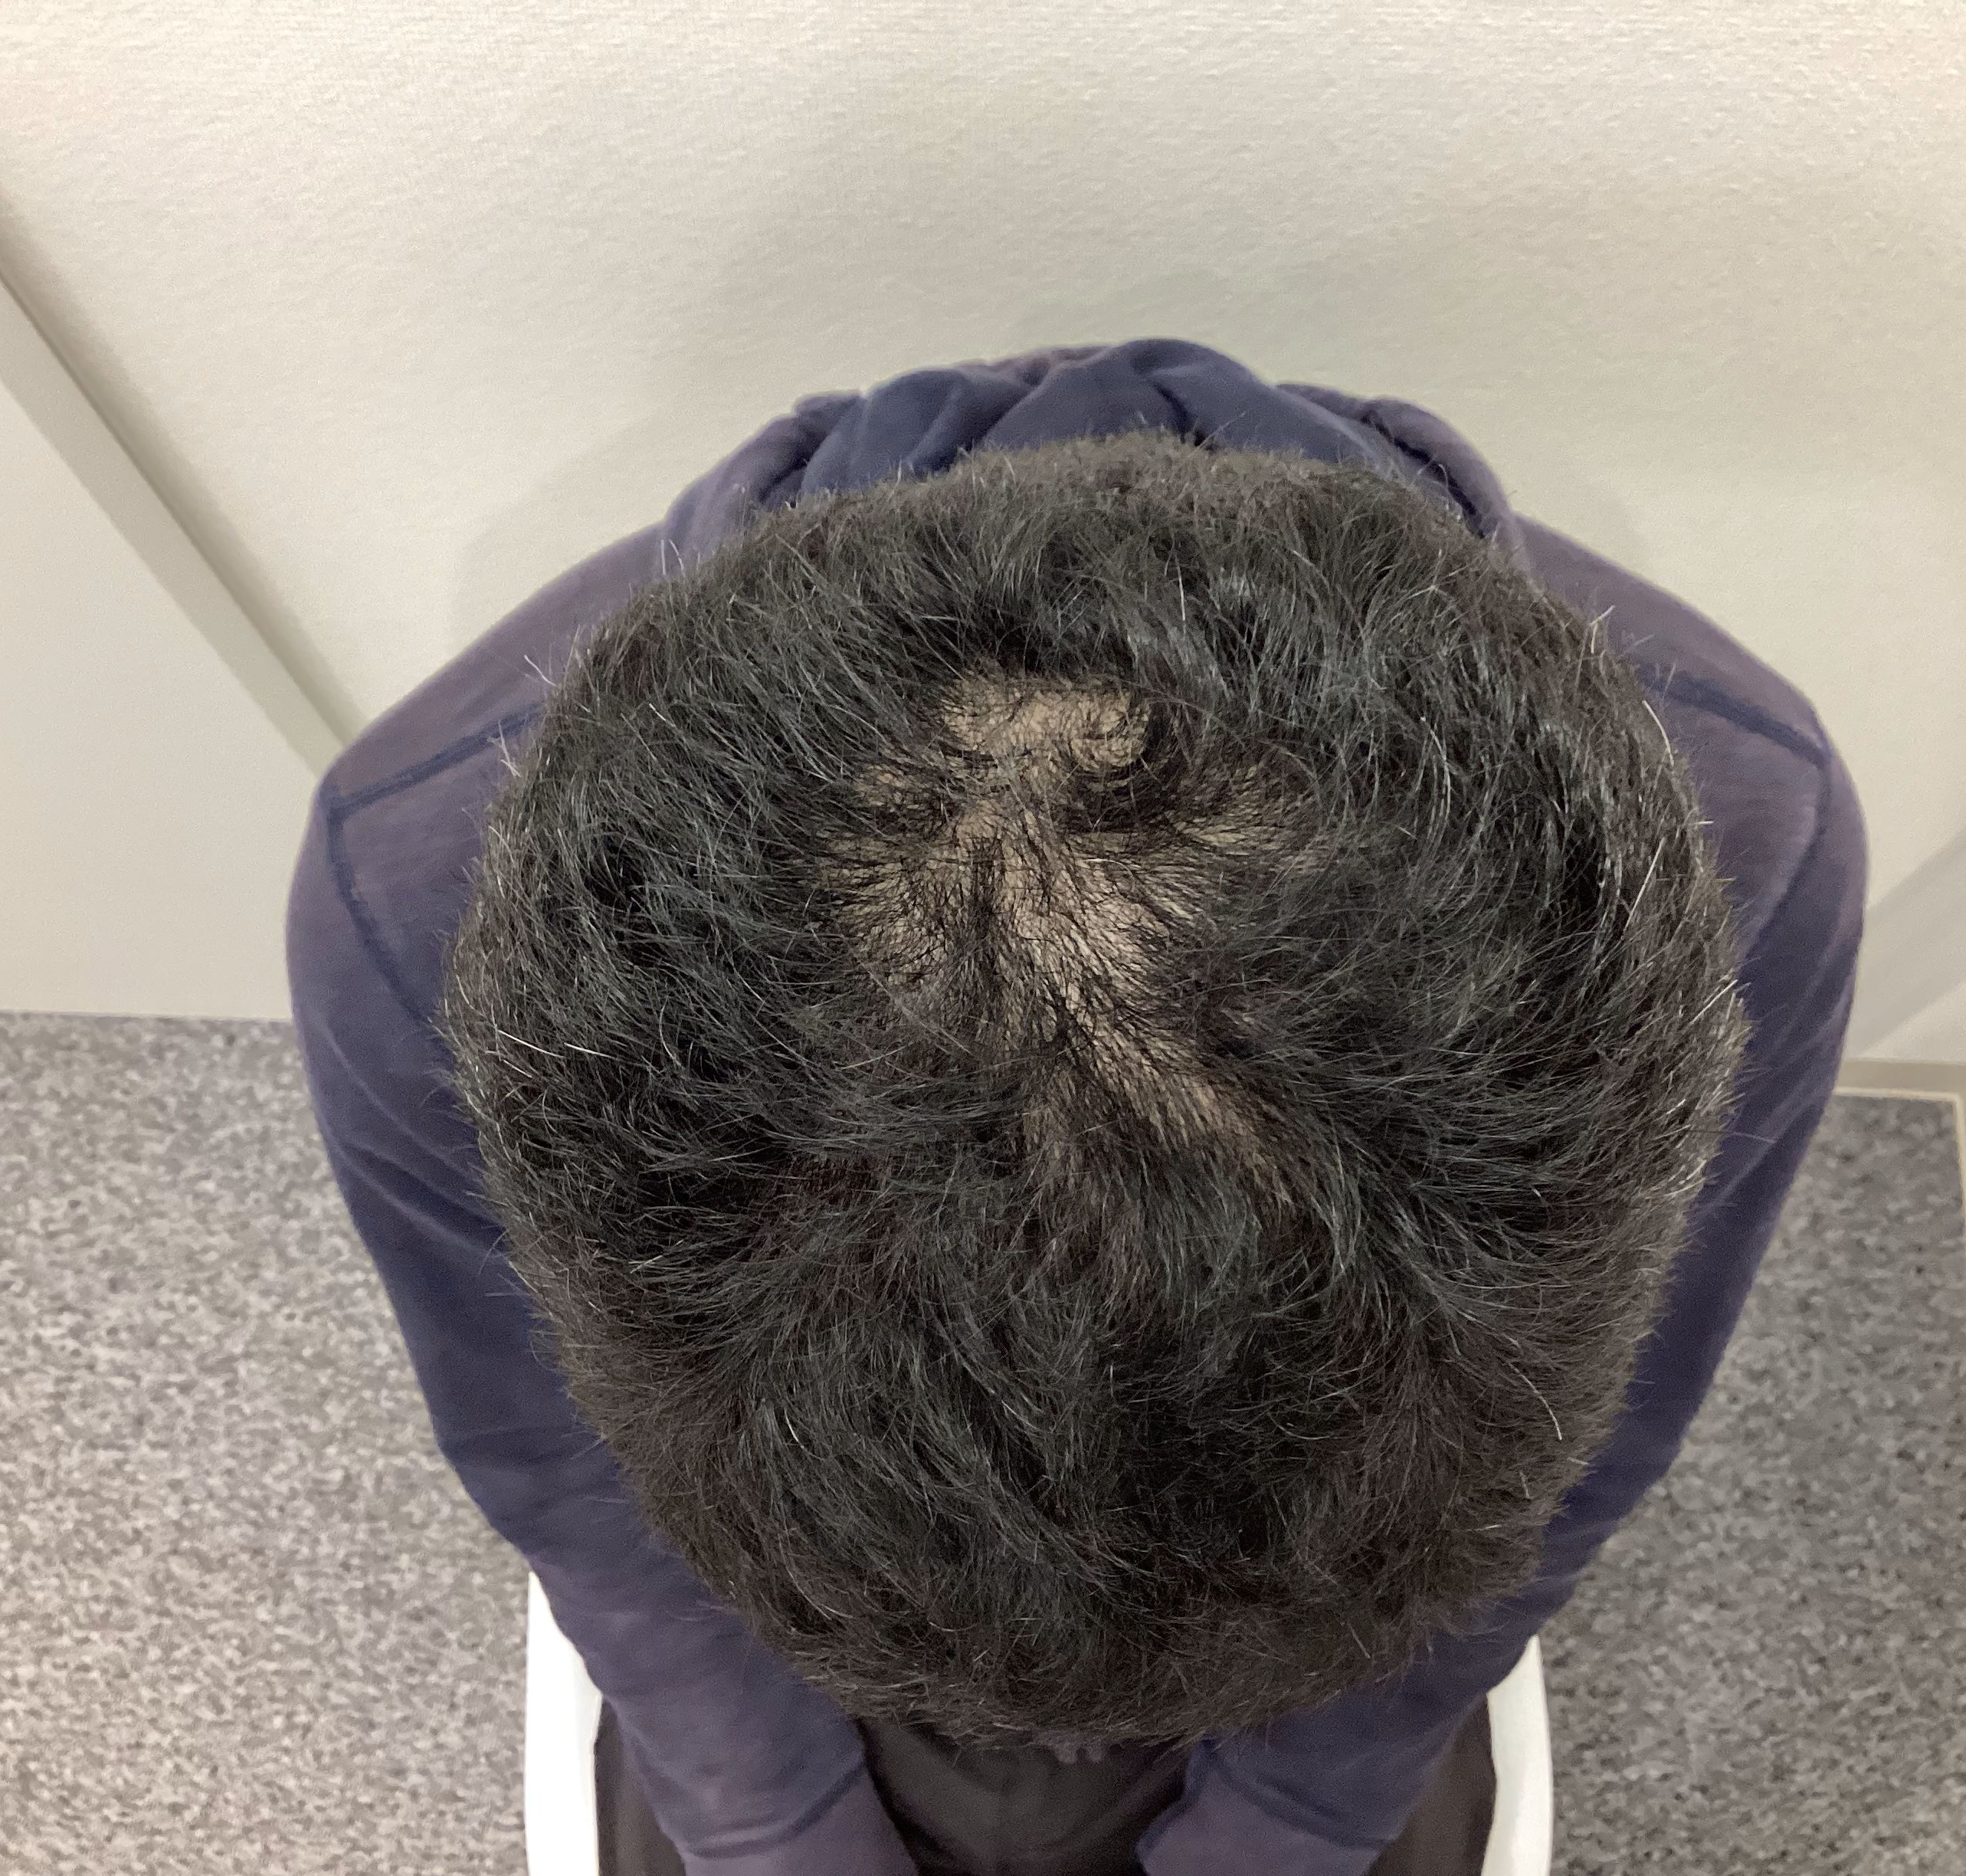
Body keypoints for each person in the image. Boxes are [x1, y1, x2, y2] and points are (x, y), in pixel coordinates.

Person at [283, 336, 1869, 1875]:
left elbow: (1600, 1422)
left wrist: (1291, 1826)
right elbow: (557, 1463)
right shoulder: (417, 903)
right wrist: (772, 1831)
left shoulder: (1742, 850)